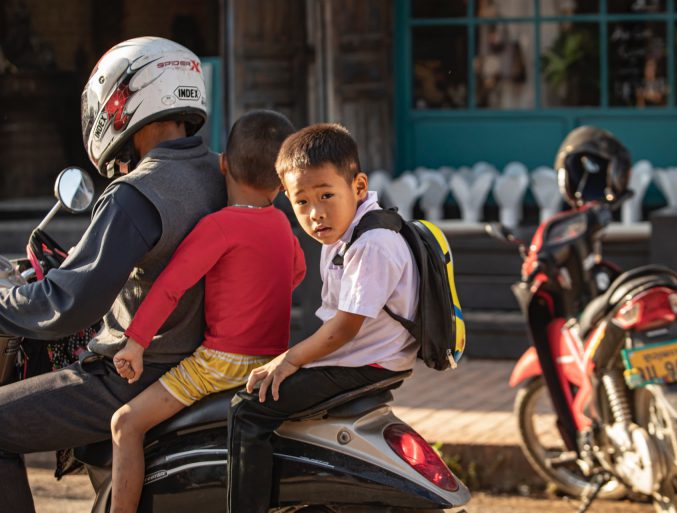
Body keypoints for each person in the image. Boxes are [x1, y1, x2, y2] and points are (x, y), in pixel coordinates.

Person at [0, 37, 226, 512]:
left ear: (119, 99)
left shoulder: (137, 192)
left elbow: (65, 305)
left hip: (131, 375)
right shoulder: (221, 172)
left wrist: (5, 298)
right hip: (196, 366)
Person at [108, 110, 305, 513]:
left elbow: (169, 288)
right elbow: (296, 273)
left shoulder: (219, 226)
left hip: (220, 365)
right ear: (283, 182)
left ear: (223, 165)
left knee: (125, 424)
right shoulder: (284, 227)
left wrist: (135, 344)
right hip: (270, 363)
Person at [227, 123, 420, 513]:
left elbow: (345, 328)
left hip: (366, 363)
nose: (315, 213)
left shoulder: (372, 243)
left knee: (247, 409)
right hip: (360, 355)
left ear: (359, 187)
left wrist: (292, 358)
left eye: (326, 195)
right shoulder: (344, 233)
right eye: (301, 202)